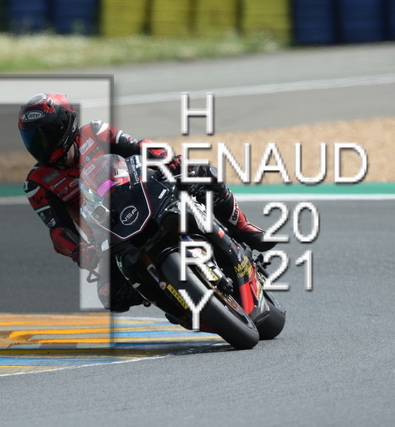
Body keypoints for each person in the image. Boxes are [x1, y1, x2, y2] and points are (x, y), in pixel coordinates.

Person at [19, 93, 275, 312]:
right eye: (33, 139)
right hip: (107, 233)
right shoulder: (37, 182)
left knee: (204, 175)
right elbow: (58, 230)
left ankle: (243, 227)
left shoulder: (95, 132)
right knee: (111, 296)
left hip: (143, 195)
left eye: (46, 135)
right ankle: (168, 297)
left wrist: (170, 161)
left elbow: (140, 146)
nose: (41, 146)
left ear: (65, 124)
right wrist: (80, 251)